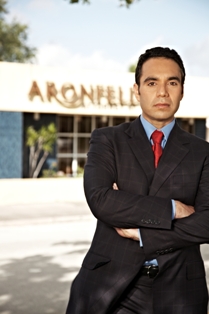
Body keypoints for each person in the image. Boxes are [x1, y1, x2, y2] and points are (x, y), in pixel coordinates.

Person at [65, 47, 209, 314]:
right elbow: (101, 200)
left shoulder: (202, 152)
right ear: (137, 90)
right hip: (112, 286)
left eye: (172, 82)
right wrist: (173, 209)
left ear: (182, 91)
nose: (163, 92)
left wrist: (144, 233)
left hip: (180, 289)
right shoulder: (108, 140)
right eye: (152, 82)